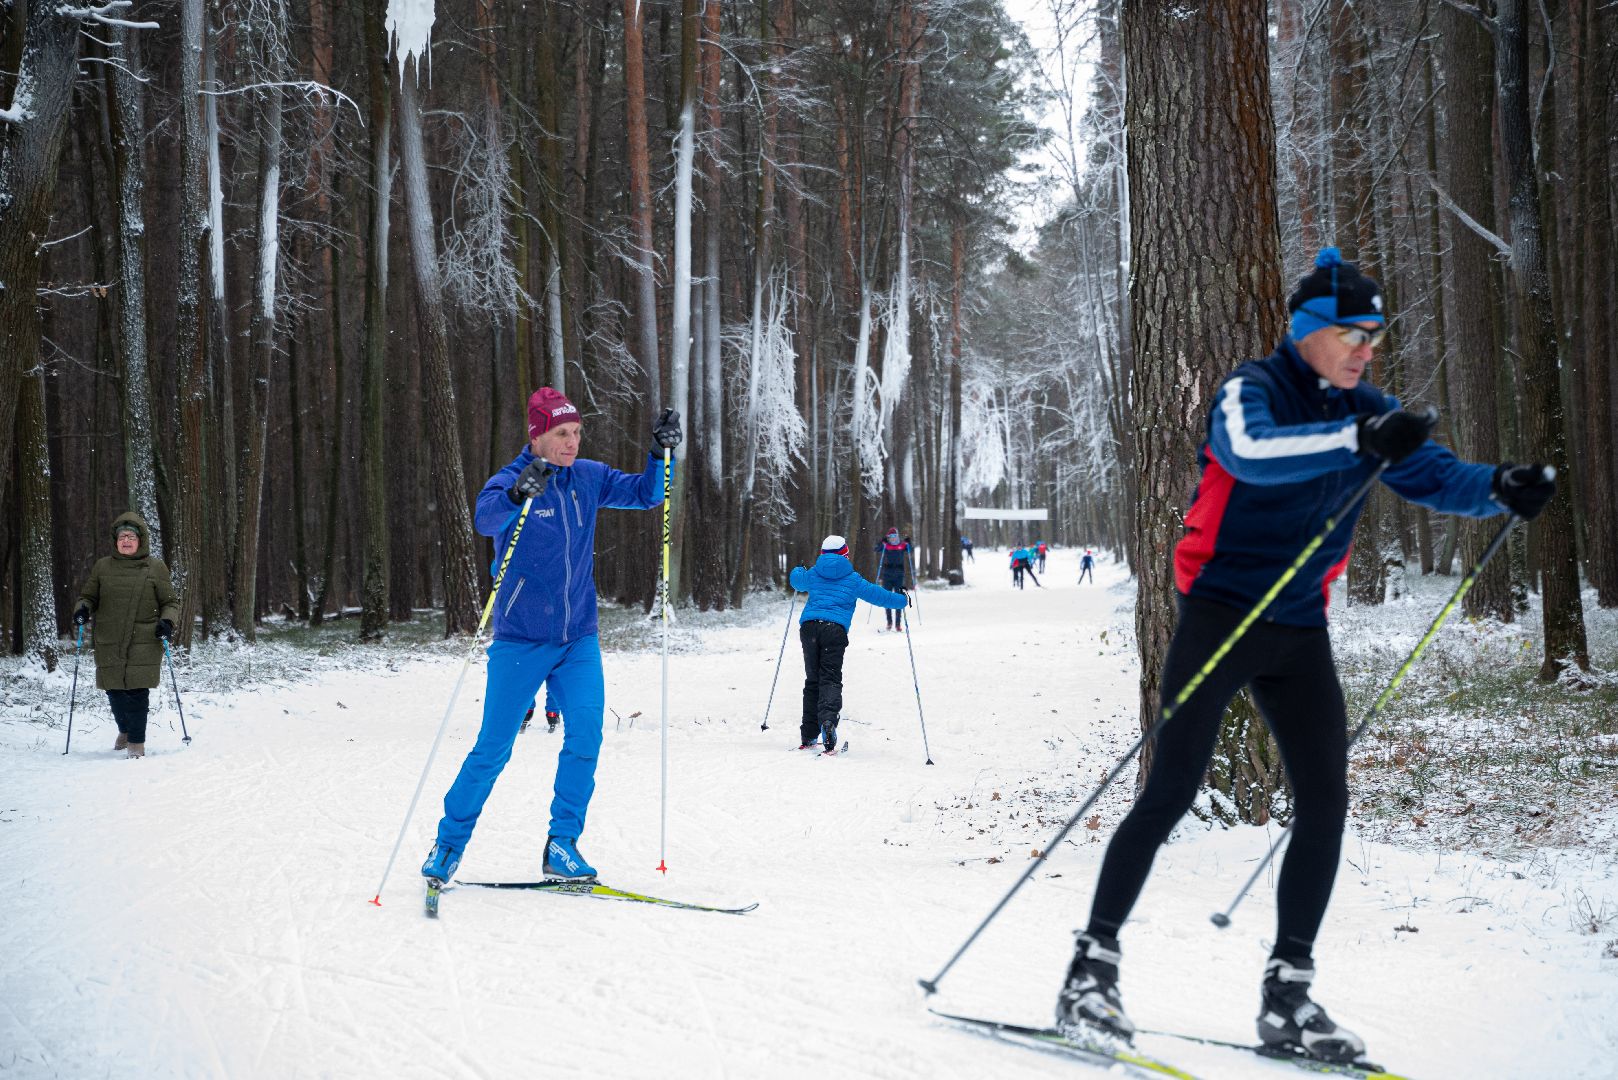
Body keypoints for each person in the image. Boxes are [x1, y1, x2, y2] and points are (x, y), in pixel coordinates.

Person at [1053, 247, 1555, 1064]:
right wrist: (1359, 435)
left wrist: (1501, 486)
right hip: (1220, 613)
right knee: (1171, 790)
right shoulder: (1251, 390)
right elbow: (1254, 454)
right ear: (1310, 331)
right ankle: (1090, 971)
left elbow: (1433, 476)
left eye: (1375, 337)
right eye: (1354, 333)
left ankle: (1288, 996)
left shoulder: (1370, 407)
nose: (1367, 349)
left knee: (1325, 799)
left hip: (1298, 627)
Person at [421, 388, 681, 885]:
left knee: (585, 736)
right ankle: (448, 844)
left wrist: (659, 455)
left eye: (577, 432)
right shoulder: (507, 482)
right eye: (562, 433)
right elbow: (485, 519)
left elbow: (647, 495)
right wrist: (521, 490)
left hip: (578, 637)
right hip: (521, 640)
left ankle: (561, 845)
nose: (573, 442)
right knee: (493, 748)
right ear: (536, 435)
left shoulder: (588, 477)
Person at [73, 512, 181, 759]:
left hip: (144, 638)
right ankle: (124, 729)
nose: (126, 541)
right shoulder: (103, 566)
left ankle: (136, 743)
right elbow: (88, 596)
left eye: (131, 536)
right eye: (122, 536)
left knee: (137, 691)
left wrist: (166, 621)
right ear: (115, 540)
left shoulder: (155, 567)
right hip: (109, 637)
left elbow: (170, 602)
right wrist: (82, 609)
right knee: (114, 690)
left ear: (140, 540)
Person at [788, 535, 908, 753]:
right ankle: (828, 723)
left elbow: (797, 581)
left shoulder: (813, 573)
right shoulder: (853, 579)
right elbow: (878, 596)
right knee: (830, 679)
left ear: (823, 553)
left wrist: (798, 569)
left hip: (809, 629)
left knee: (813, 680)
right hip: (834, 631)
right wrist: (902, 599)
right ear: (845, 554)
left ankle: (808, 735)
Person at [874, 527, 911, 631]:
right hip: (887, 576)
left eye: (895, 536)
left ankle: (898, 624)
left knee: (899, 598)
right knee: (887, 599)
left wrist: (909, 542)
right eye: (891, 537)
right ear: (888, 538)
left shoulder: (902, 545)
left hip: (899, 576)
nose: (893, 539)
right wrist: (882, 541)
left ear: (897, 536)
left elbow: (909, 550)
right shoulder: (886, 546)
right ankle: (889, 622)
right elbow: (876, 549)